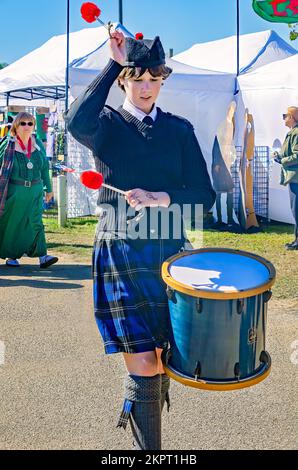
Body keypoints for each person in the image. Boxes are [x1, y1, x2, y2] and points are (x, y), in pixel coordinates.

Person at [65, 31, 215, 450]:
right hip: (120, 249)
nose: (146, 86)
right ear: (124, 81)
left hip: (168, 252)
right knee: (145, 363)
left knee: (165, 359)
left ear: (163, 80)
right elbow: (75, 121)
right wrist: (112, 61)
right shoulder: (107, 126)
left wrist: (161, 197)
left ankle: (139, 413)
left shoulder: (179, 131)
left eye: (154, 78)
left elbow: (203, 197)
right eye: (136, 77)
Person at [0, 112, 58, 267]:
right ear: (16, 126)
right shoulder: (8, 144)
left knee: (36, 221)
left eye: (30, 123)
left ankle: (42, 256)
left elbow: (45, 167)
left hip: (35, 190)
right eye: (23, 123)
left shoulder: (37, 143)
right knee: (13, 223)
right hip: (15, 192)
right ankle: (11, 256)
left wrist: (49, 188)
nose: (27, 126)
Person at [274, 106, 298, 250]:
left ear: (292, 117)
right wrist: (280, 156)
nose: (284, 118)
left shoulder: (296, 133)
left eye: (285, 115)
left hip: (296, 179)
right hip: (294, 178)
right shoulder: (292, 133)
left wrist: (282, 160)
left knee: (296, 210)